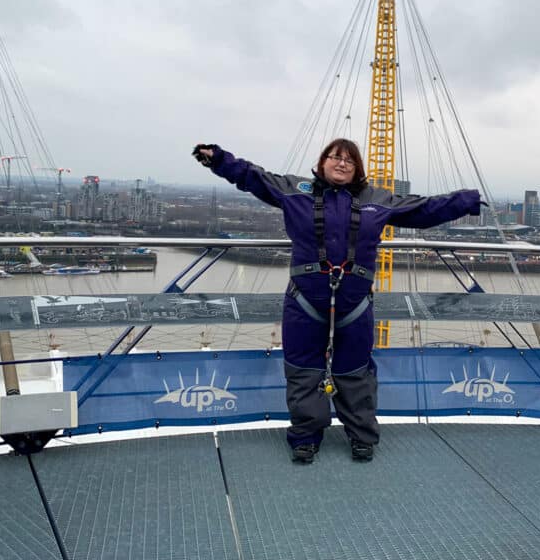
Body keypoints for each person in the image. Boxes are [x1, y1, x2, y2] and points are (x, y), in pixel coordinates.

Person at [192, 139, 481, 463]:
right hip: (305, 301)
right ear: (323, 161)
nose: (341, 164)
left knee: (355, 372)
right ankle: (305, 436)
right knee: (303, 371)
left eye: (349, 160)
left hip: (354, 304)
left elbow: (424, 210)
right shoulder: (294, 191)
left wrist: (466, 201)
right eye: (335, 158)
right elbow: (253, 177)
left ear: (357, 168)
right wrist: (218, 159)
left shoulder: (378, 199)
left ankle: (361, 436)